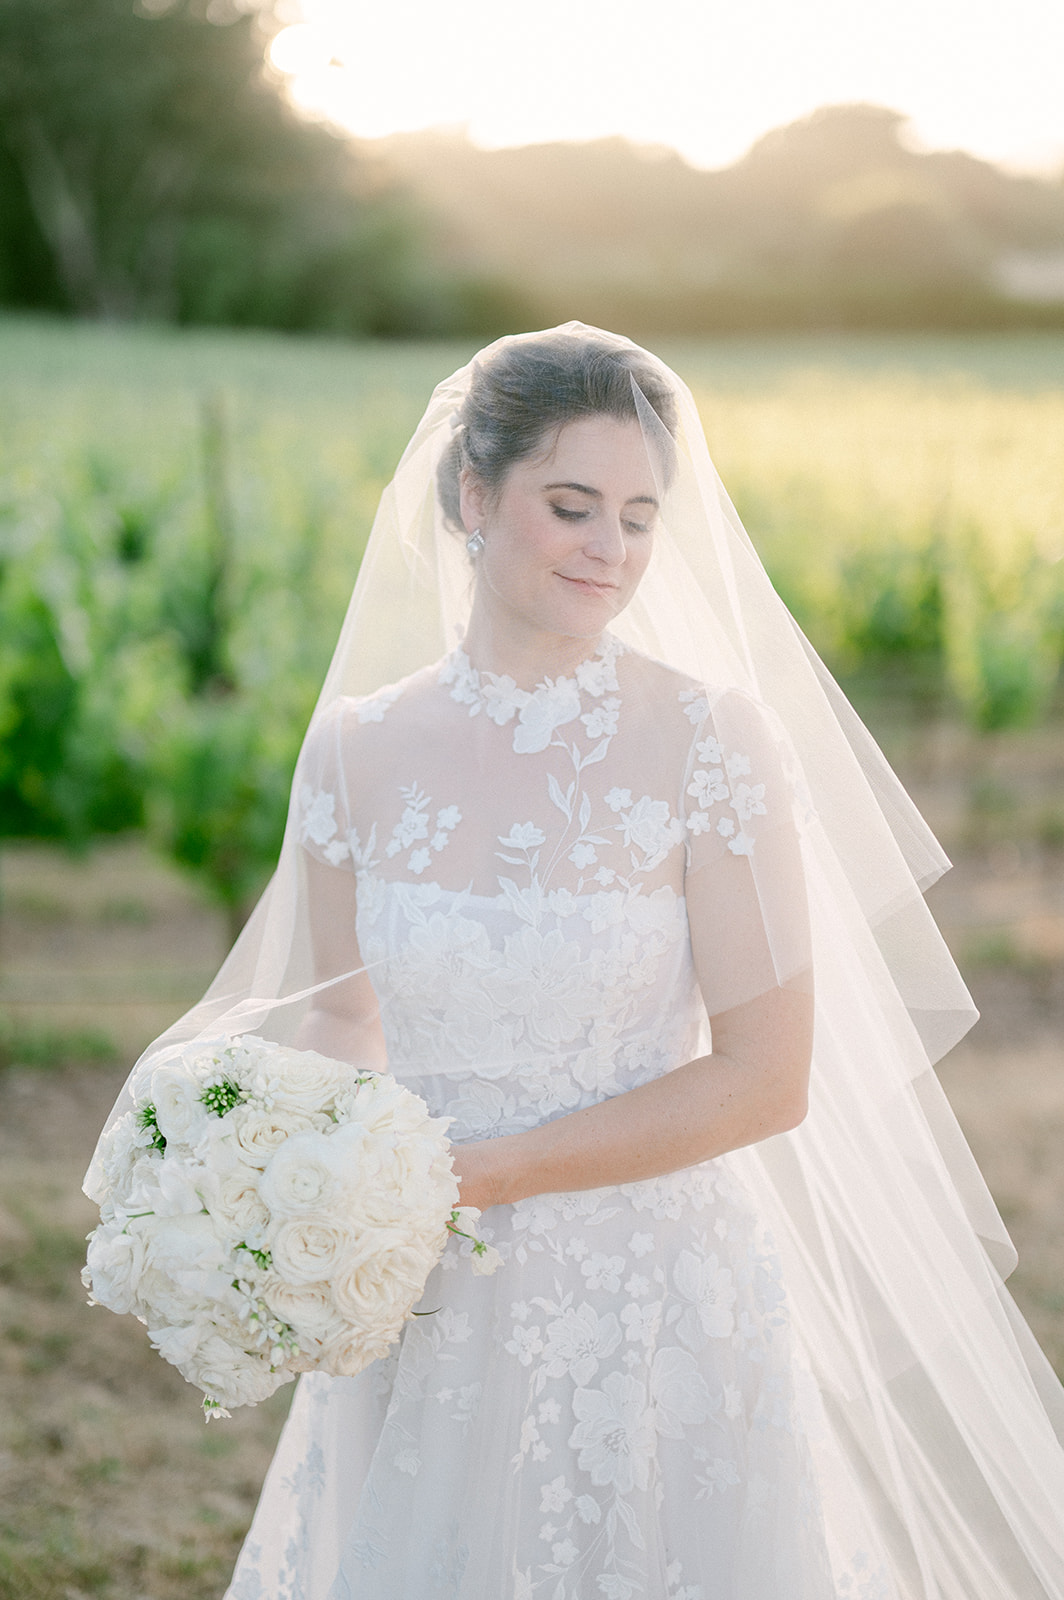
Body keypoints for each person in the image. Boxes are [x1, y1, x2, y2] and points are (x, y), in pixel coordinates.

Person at [86, 326, 1064, 1599]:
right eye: (572, 505)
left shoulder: (710, 742)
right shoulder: (355, 748)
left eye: (640, 515)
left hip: (652, 1301)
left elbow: (767, 1080)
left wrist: (469, 1175)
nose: (612, 548)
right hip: (419, 1288)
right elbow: (340, 1022)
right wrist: (292, 1182)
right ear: (470, 497)